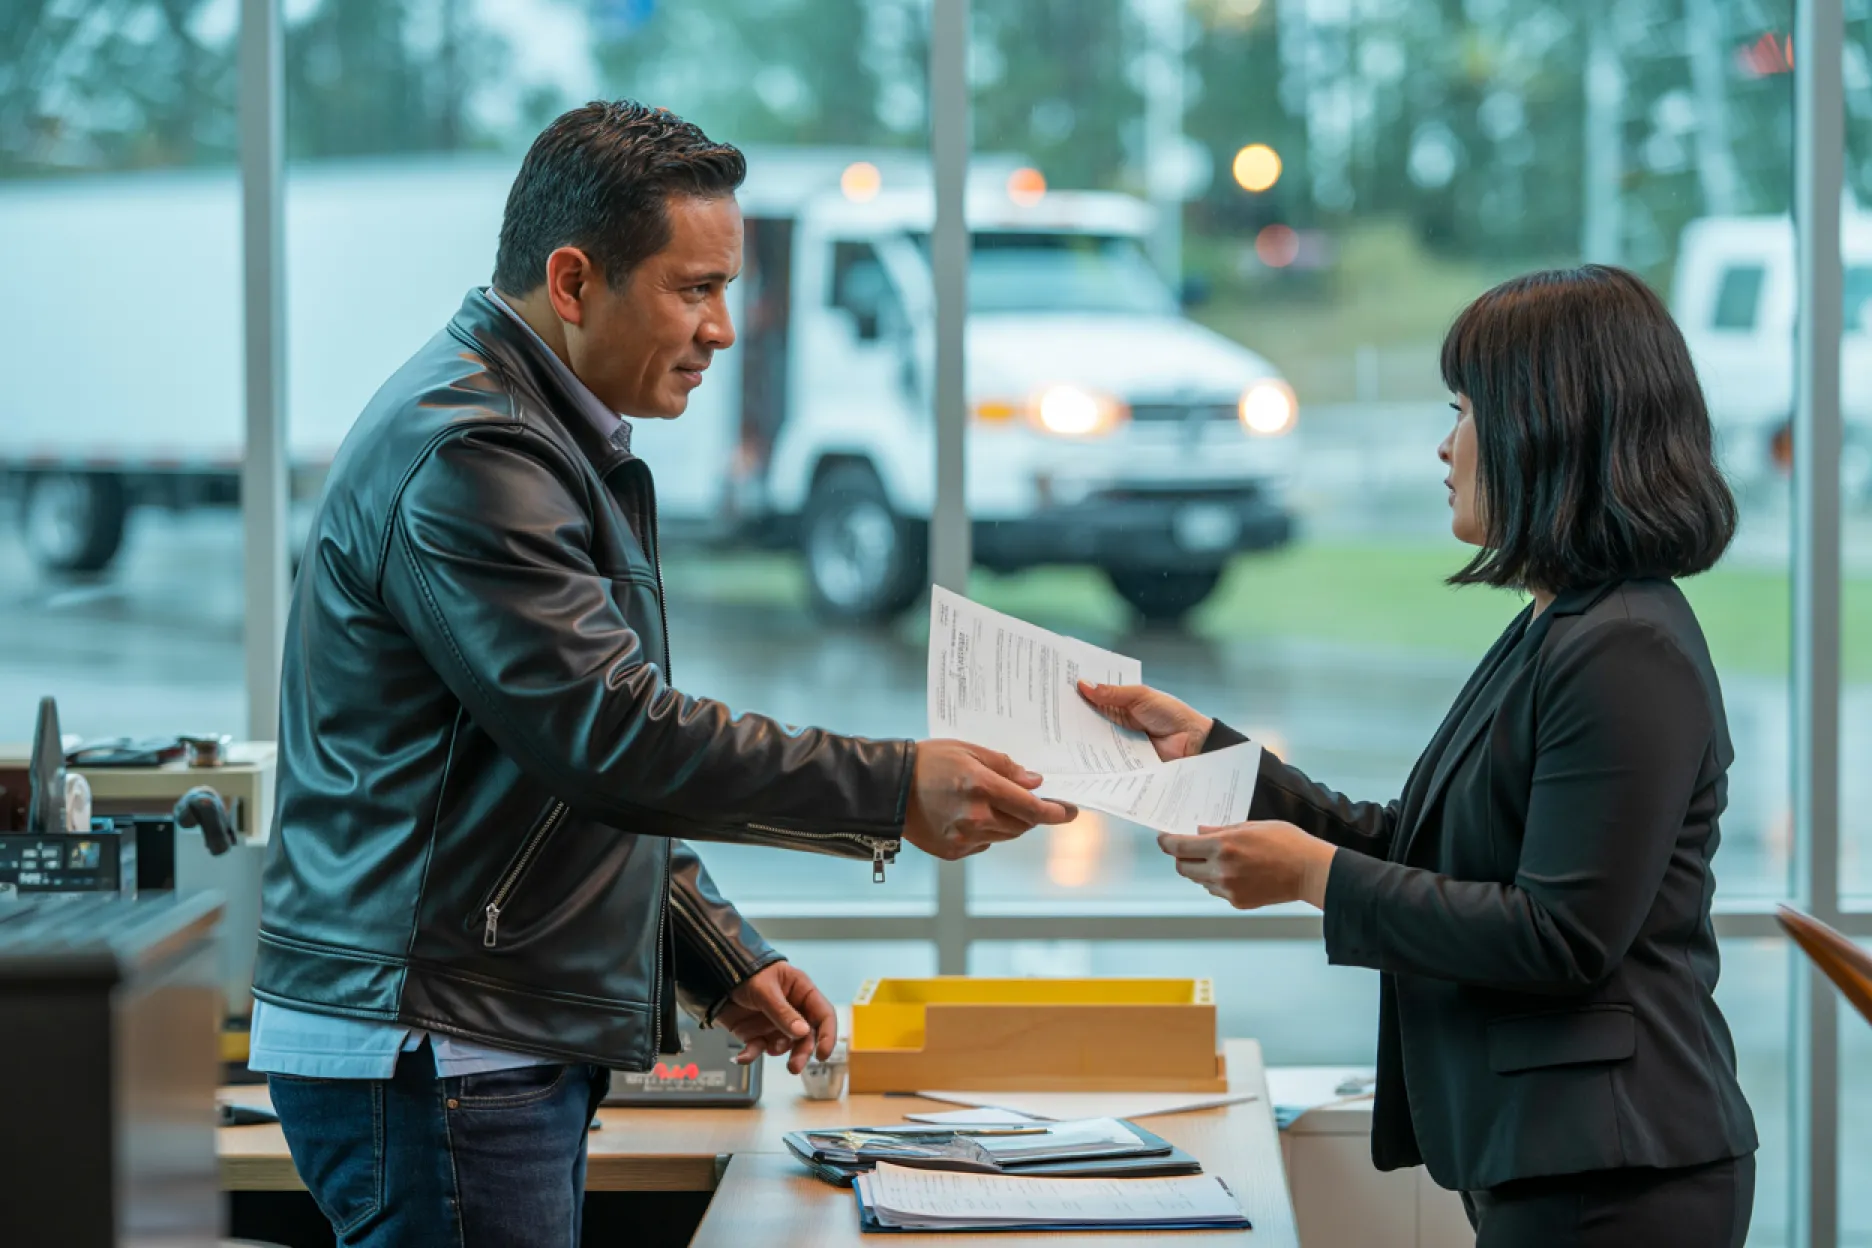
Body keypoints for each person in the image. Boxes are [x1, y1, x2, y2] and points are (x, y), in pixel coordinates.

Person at [248, 100, 1075, 1248]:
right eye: (696, 289)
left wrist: (714, 955)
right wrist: (891, 789)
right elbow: (614, 739)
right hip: (441, 1047)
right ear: (575, 281)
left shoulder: (539, 432)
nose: (725, 329)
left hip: (465, 1037)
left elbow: (550, 767)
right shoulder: (477, 452)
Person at [1082, 265, 1758, 1246]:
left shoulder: (1625, 645)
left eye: (1465, 412)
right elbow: (1429, 842)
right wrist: (1213, 758)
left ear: (1546, 426)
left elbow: (1561, 935)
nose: (1445, 446)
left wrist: (1317, 880)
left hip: (1617, 1171)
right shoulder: (1560, 624)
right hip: (1555, 1157)